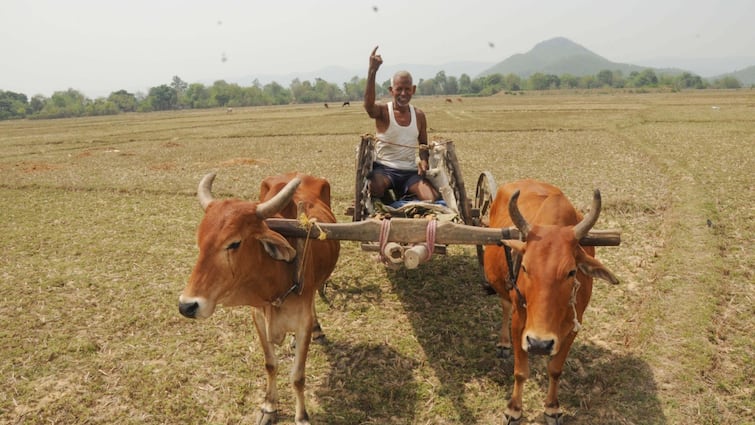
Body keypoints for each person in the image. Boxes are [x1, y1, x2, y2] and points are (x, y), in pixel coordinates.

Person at [363, 46, 438, 203]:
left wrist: (424, 161)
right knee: (375, 187)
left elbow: (423, 145)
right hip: (384, 170)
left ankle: (401, 204)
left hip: (410, 172)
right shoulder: (383, 112)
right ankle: (392, 204)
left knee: (430, 198)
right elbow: (369, 107)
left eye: (407, 89)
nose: (403, 93)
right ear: (391, 90)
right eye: (399, 89)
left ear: (413, 90)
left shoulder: (419, 115)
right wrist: (372, 71)